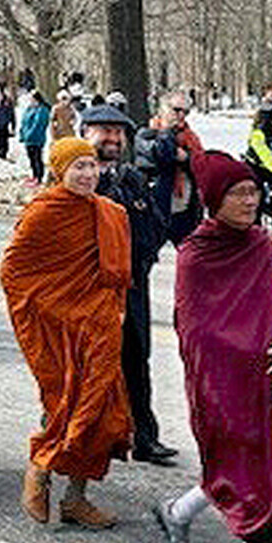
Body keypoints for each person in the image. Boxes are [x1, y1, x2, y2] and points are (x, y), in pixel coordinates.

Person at [154, 153, 272, 543]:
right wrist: (246, 353)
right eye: (238, 193)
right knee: (247, 476)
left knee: (248, 471)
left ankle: (176, 513)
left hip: (269, 378)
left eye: (253, 192)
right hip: (221, 385)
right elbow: (196, 330)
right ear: (213, 199)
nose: (249, 201)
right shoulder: (195, 256)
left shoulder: (264, 246)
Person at [0, 137, 133, 528]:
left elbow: (117, 274)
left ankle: (76, 499)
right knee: (64, 404)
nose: (88, 174)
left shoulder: (109, 212)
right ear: (60, 171)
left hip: (100, 325)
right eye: (78, 167)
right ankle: (40, 466)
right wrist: (57, 310)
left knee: (102, 414)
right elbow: (13, 272)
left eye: (92, 166)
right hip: (60, 329)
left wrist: (116, 310)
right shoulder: (43, 212)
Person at [80, 102, 175, 466]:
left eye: (119, 132)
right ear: (86, 134)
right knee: (89, 365)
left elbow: (154, 227)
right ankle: (82, 434)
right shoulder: (74, 180)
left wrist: (141, 260)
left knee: (137, 361)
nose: (113, 138)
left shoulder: (132, 178)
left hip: (133, 288)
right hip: (91, 293)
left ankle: (144, 437)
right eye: (104, 131)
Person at [136, 91, 205, 245]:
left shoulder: (190, 137)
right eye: (176, 110)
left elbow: (201, 164)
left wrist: (186, 158)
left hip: (185, 206)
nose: (181, 115)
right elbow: (162, 155)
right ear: (163, 109)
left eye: (185, 111)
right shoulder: (147, 134)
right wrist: (166, 131)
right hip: (157, 206)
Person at [19, 90, 51, 181]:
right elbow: (24, 122)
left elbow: (38, 124)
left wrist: (30, 134)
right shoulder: (29, 109)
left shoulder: (42, 110)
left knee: (37, 157)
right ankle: (34, 174)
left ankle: (39, 176)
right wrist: (22, 134)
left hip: (37, 138)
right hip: (27, 138)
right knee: (31, 158)